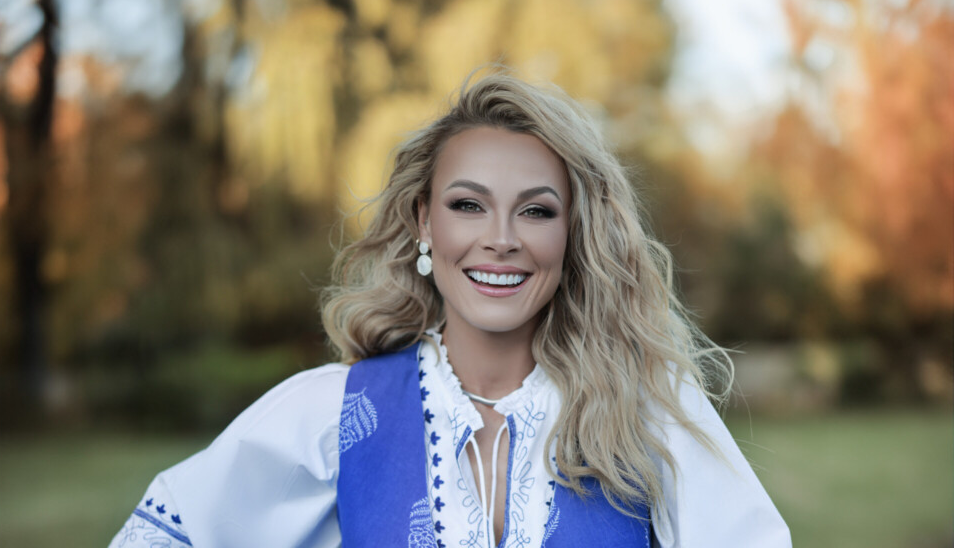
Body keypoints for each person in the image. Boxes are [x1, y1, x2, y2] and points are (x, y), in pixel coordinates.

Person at [109, 73, 791, 548]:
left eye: (536, 211)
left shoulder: (648, 409)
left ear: (572, 233)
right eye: (468, 205)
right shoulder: (334, 412)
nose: (501, 238)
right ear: (424, 221)